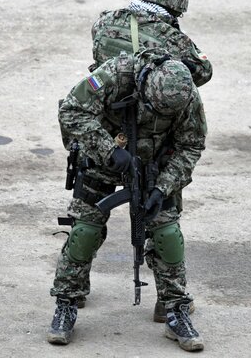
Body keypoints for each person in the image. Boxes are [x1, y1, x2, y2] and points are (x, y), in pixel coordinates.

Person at [47, 48, 207, 351]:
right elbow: (71, 110)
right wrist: (108, 150)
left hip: (155, 167)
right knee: (86, 229)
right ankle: (67, 301)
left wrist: (163, 187)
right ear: (146, 85)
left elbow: (191, 145)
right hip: (102, 157)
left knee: (167, 233)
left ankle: (175, 308)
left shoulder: (186, 96)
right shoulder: (117, 73)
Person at [89, 0, 212, 322]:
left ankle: (72, 291)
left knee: (87, 216)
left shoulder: (105, 23)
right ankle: (170, 303)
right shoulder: (173, 40)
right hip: (155, 141)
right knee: (164, 222)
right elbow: (201, 72)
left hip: (107, 136)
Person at [91, 0, 212, 88]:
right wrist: (177, 31)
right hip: (144, 105)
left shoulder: (105, 20)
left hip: (103, 100)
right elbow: (204, 72)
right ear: (179, 2)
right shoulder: (172, 39)